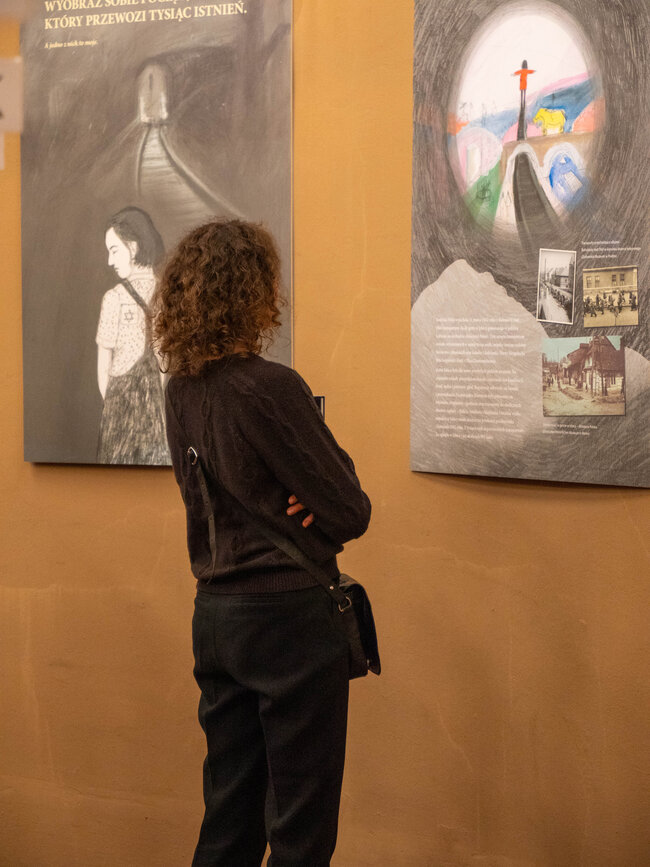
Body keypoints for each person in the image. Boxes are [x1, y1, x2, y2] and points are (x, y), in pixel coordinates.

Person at [152, 219, 371, 866]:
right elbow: (350, 509)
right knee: (300, 829)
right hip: (289, 624)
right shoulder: (269, 386)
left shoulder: (180, 389)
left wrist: (307, 493)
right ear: (254, 291)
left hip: (217, 617)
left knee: (229, 819)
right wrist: (309, 495)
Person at [96, 206, 170, 464]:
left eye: (114, 250)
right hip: (154, 414)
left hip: (119, 410)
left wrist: (114, 409)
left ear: (133, 248)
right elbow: (163, 364)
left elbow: (104, 368)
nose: (110, 261)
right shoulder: (166, 296)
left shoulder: (114, 298)